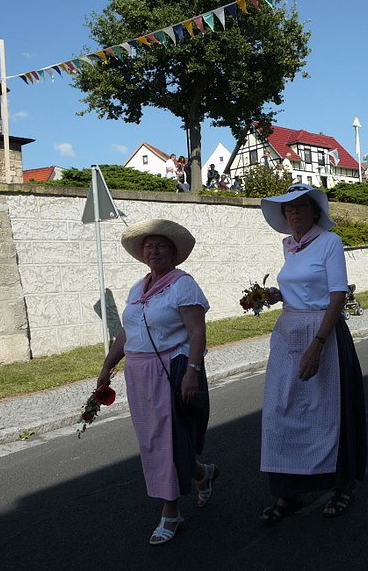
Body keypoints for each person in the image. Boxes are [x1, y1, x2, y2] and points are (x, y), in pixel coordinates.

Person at [96, 219, 218, 545]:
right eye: (148, 246)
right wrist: (107, 366)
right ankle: (203, 474)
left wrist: (192, 370)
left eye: (161, 245)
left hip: (172, 369)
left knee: (168, 442)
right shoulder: (139, 288)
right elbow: (127, 332)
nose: (153, 250)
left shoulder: (184, 285)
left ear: (174, 253)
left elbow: (197, 332)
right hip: (138, 373)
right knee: (154, 441)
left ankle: (171, 512)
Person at [258, 184, 367, 524]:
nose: (293, 213)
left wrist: (318, 344)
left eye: (301, 207)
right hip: (289, 333)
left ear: (315, 212)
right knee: (283, 410)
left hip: (323, 333)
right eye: (288, 208)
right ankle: (288, 492)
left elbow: (336, 295)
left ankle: (341, 486)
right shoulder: (291, 246)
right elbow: (302, 287)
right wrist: (278, 295)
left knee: (328, 410)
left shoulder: (330, 243)